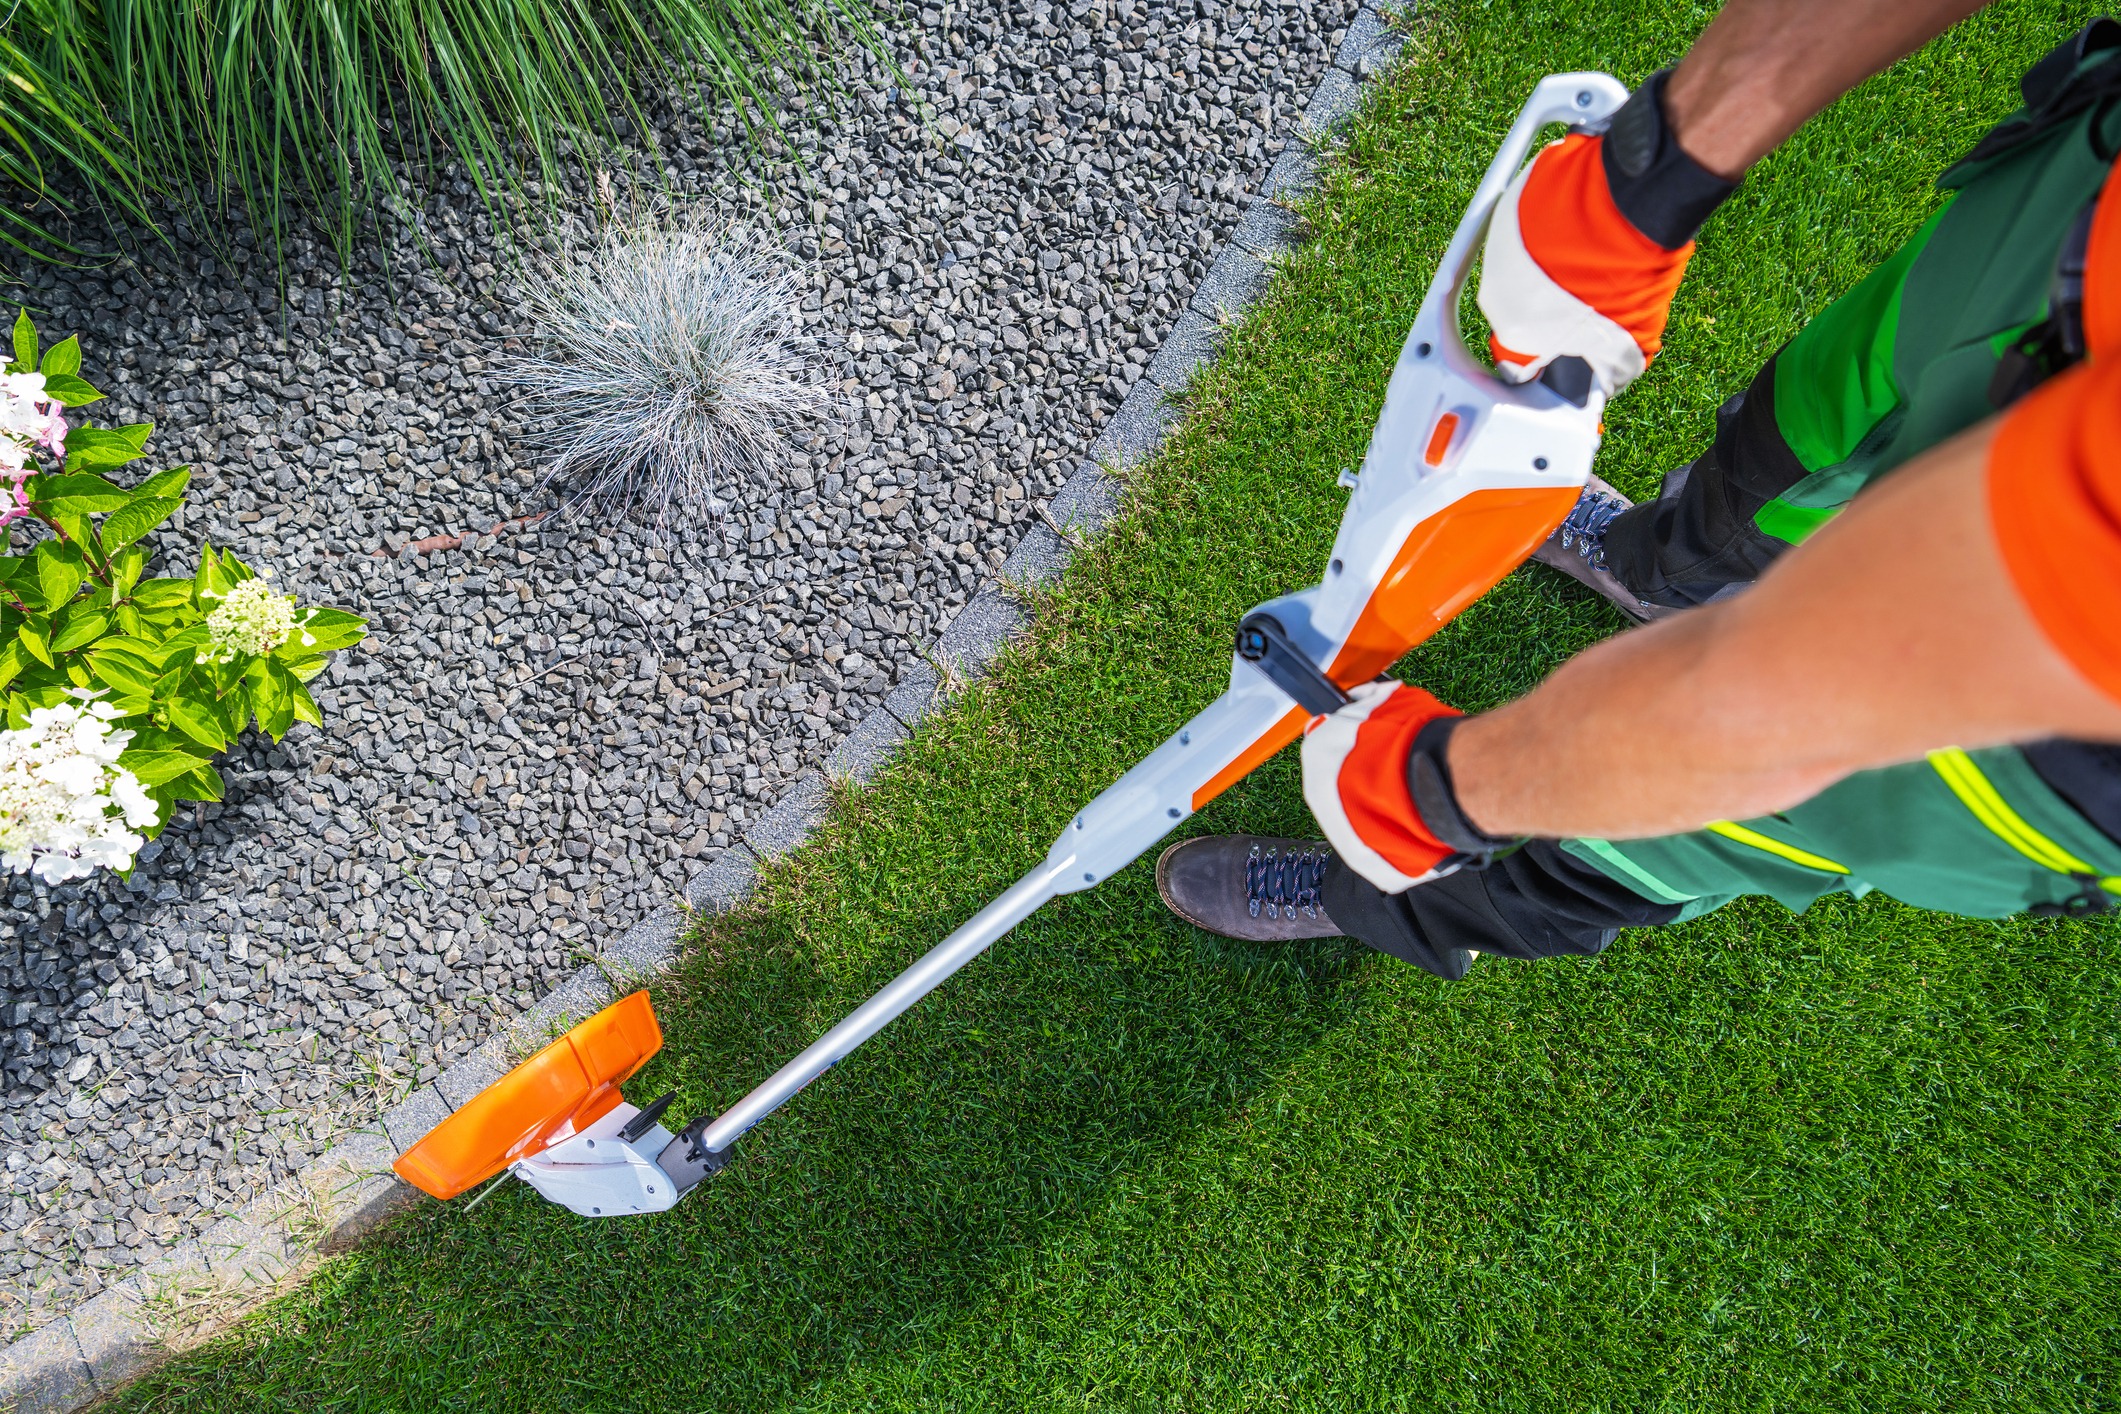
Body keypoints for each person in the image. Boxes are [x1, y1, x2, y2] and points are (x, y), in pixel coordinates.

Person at [1154, 1, 2121, 979]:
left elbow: (1774, 710)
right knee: (1799, 443)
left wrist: (1443, 789)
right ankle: (1663, 577)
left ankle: (1383, 881)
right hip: (2069, 243)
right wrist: (1663, 159)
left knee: (1655, 822)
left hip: (2049, 742)